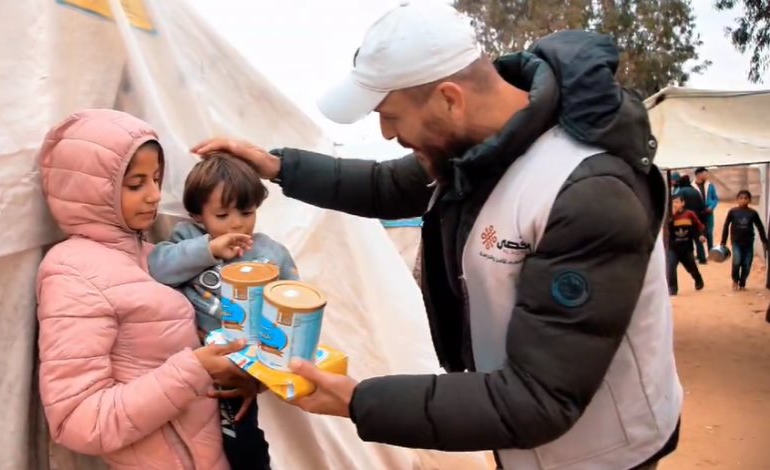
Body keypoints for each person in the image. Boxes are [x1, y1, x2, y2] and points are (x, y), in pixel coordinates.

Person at [192, 2, 681, 469]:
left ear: (450, 99)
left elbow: (540, 397)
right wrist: (278, 166)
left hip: (600, 450)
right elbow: (387, 185)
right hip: (517, 432)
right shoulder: (476, 152)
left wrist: (359, 401)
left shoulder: (586, 194)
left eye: (390, 114)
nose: (385, 134)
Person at [35, 109, 251, 470]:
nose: (154, 195)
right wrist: (192, 369)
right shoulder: (71, 271)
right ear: (91, 191)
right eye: (136, 184)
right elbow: (77, 420)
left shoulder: (152, 255)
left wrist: (237, 376)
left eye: (155, 178)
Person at [148, 154, 301, 470]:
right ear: (197, 216)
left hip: (239, 368)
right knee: (183, 441)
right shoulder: (187, 240)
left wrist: (259, 378)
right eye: (222, 214)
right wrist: (209, 249)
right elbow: (157, 269)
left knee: (241, 439)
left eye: (247, 212)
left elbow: (292, 308)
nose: (236, 223)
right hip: (184, 363)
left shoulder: (270, 252)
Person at [720, 190, 769, 291]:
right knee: (737, 261)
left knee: (747, 263)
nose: (743, 200)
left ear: (749, 200)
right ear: (737, 199)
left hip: (748, 242)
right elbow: (726, 226)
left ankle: (742, 283)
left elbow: (759, 226)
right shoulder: (733, 212)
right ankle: (735, 281)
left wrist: (764, 240)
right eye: (741, 198)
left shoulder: (752, 213)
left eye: (746, 198)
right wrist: (723, 242)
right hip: (736, 241)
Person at [667, 195, 706, 295]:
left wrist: (701, 235)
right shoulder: (669, 216)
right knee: (671, 267)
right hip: (673, 248)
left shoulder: (689, 214)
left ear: (683, 203)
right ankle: (673, 288)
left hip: (686, 247)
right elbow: (666, 229)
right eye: (673, 203)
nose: (675, 204)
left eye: (677, 202)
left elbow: (699, 226)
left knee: (691, 267)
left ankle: (698, 279)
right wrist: (671, 216)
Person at [675, 175, 709, 263]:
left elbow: (677, 204)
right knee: (698, 239)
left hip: (685, 219)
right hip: (696, 218)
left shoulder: (681, 191)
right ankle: (702, 258)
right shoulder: (695, 191)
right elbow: (702, 206)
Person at [693, 167, 720, 251]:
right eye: (704, 173)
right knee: (699, 232)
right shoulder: (692, 186)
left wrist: (711, 207)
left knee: (709, 232)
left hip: (708, 212)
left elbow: (715, 198)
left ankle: (711, 251)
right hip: (698, 213)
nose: (706, 175)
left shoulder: (710, 185)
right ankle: (701, 254)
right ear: (698, 174)